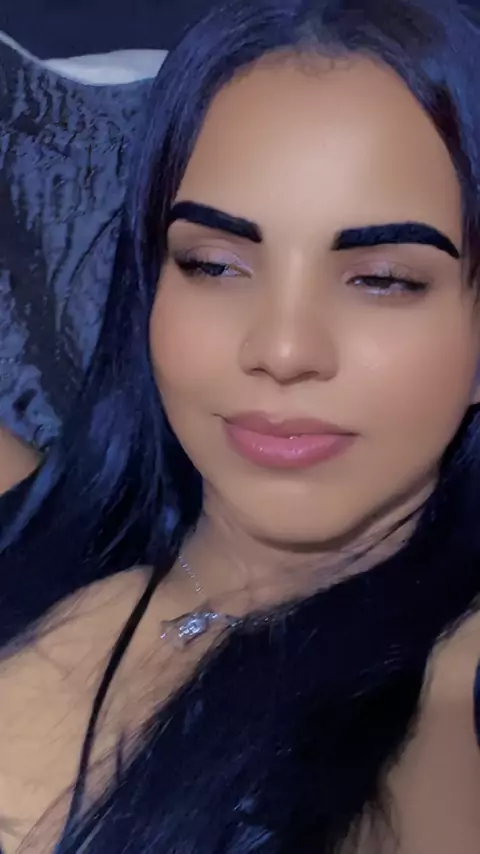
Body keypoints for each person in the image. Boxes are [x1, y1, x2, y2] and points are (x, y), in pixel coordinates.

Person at [1, 0, 480, 851]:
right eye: (214, 265)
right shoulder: (40, 523)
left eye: (383, 280)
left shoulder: (449, 688)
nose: (283, 349)